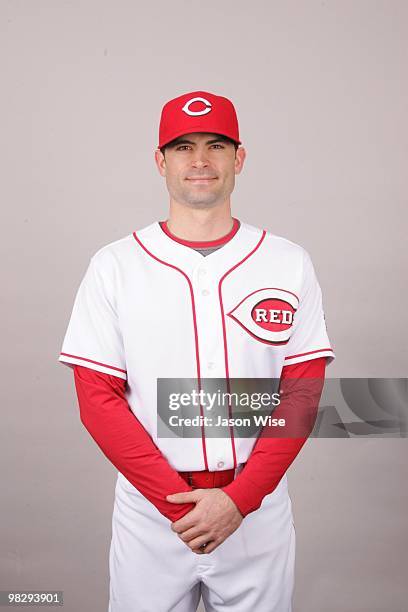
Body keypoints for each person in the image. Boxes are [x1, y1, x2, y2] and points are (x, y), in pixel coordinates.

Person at [58, 90, 335, 612]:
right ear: (160, 161)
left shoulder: (287, 261)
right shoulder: (115, 265)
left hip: (257, 510)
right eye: (183, 147)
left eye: (216, 145)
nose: (201, 160)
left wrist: (239, 500)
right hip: (151, 514)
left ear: (240, 158)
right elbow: (97, 399)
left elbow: (302, 393)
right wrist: (175, 504)